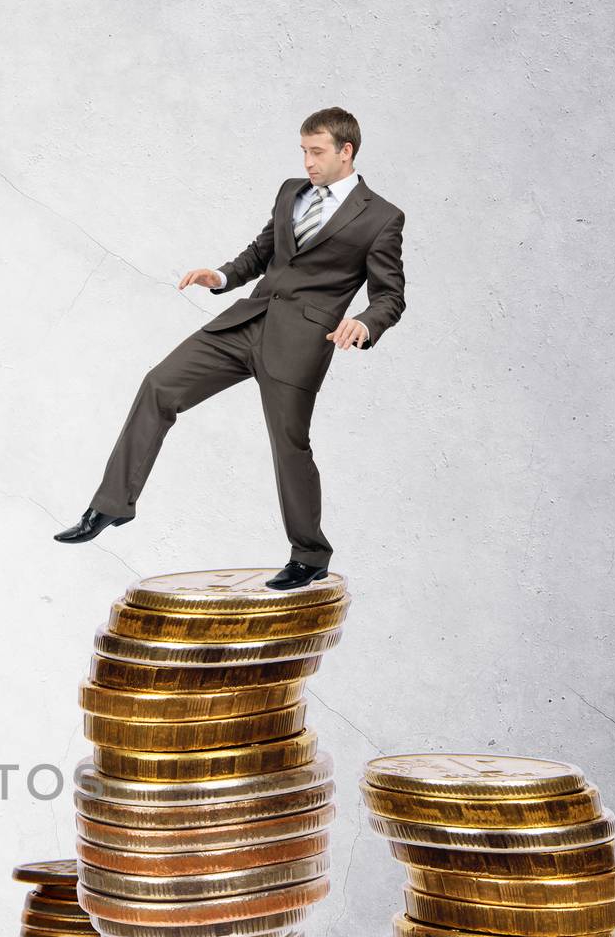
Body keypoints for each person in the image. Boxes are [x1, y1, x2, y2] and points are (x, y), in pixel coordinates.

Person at [56, 107, 406, 590]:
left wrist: (365, 324)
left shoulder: (382, 217)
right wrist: (220, 276)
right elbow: (264, 252)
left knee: (289, 445)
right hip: (246, 321)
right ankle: (110, 506)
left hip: (301, 343)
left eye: (317, 152)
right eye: (303, 150)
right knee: (160, 384)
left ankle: (310, 554)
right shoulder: (291, 192)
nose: (307, 161)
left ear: (347, 151)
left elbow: (390, 295)